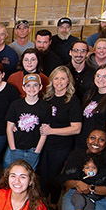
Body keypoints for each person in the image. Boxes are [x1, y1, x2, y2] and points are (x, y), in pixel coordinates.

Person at [36, 66, 83, 202]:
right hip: (44, 143)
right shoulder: (46, 97)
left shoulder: (72, 101)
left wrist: (52, 131)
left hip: (61, 145)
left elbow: (76, 128)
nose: (59, 81)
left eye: (63, 78)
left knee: (54, 175)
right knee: (43, 174)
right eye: (56, 78)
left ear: (68, 81)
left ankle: (53, 203)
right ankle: (43, 202)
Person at [4, 73, 47, 170]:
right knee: (12, 173)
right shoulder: (16, 105)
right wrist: (13, 148)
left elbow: (45, 131)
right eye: (28, 85)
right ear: (23, 87)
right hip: (17, 147)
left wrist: (37, 151)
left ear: (40, 87)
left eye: (35, 85)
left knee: (29, 175)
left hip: (33, 149)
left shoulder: (45, 106)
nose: (32, 88)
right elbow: (9, 127)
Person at [80, 66, 106, 143]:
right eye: (98, 75)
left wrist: (97, 144)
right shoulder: (89, 94)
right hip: (82, 139)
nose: (101, 79)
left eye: (105, 76)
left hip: (97, 144)